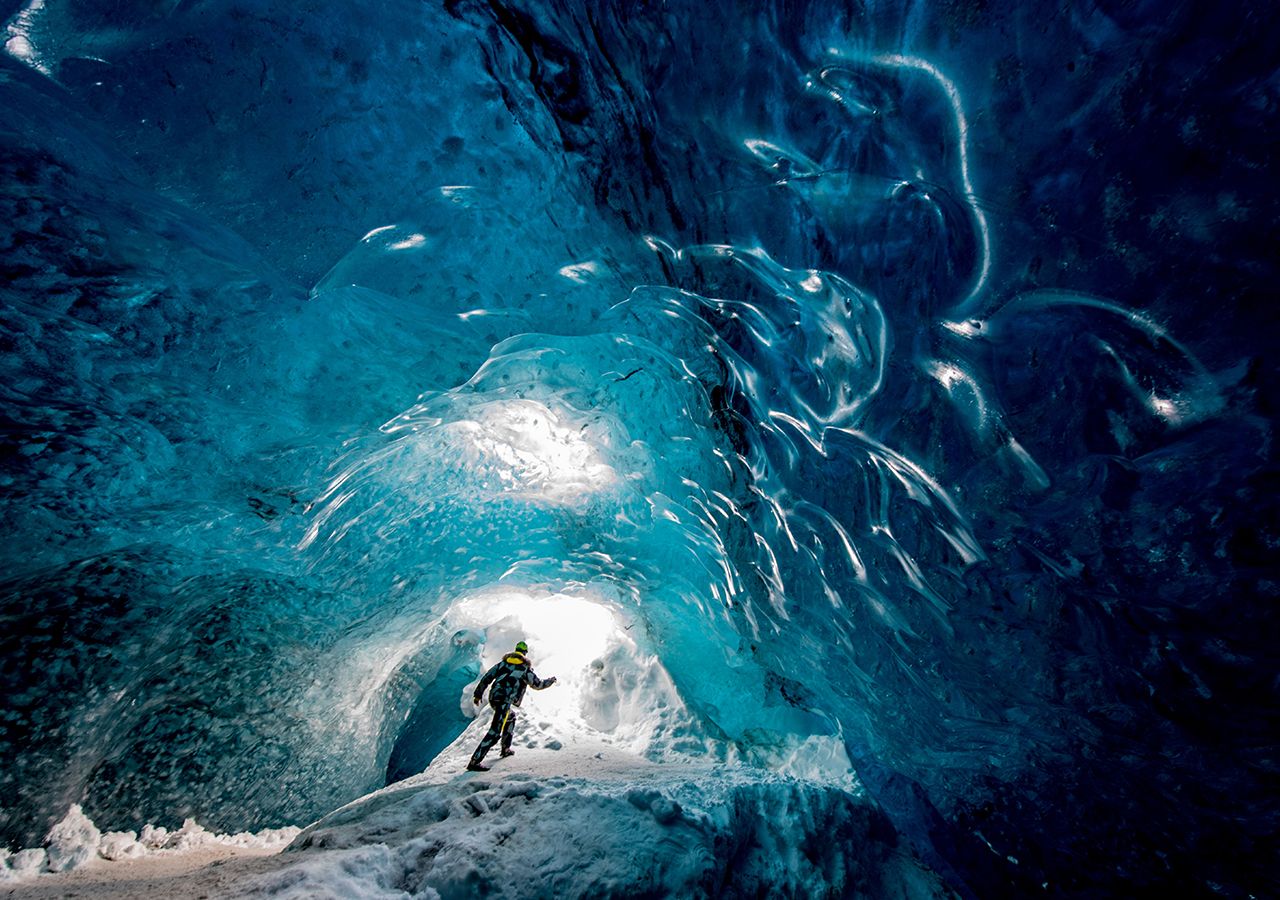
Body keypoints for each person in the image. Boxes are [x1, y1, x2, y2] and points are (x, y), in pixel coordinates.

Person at [466, 640, 556, 772]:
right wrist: (551, 681)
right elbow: (537, 684)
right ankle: (475, 761)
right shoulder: (525, 669)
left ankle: (505, 749)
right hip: (504, 700)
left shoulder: (503, 664)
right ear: (525, 653)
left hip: (494, 697)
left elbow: (487, 677)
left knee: (511, 717)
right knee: (495, 732)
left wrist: (478, 694)